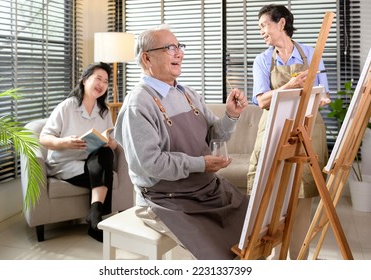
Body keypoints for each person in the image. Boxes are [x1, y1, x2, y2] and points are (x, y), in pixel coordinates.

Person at [114, 24, 249, 260]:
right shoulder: (138, 104)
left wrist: (231, 115)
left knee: (253, 231)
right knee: (222, 255)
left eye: (179, 47)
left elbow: (216, 135)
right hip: (165, 199)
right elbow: (151, 164)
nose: (179, 53)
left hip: (206, 189)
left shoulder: (188, 93)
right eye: (170, 48)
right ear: (147, 58)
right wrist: (200, 164)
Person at [247, 4, 331, 259]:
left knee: (303, 193)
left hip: (306, 132)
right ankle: (270, 254)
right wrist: (293, 85)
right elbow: (262, 101)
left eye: (264, 25)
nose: (261, 31)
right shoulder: (262, 60)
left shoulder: (311, 54)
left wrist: (319, 98)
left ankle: (297, 259)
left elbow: (324, 95)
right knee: (270, 191)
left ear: (281, 23)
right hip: (274, 131)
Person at [39, 62, 118, 242]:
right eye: (98, 78)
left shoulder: (104, 112)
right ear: (84, 80)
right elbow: (44, 138)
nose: (102, 84)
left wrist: (109, 143)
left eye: (106, 81)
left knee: (106, 154)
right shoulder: (67, 106)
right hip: (65, 164)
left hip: (91, 161)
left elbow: (113, 142)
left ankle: (95, 216)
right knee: (106, 173)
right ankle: (96, 221)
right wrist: (65, 142)